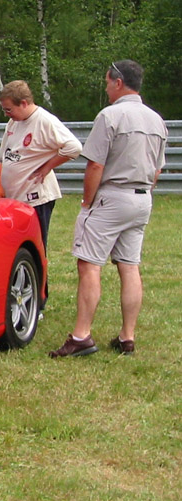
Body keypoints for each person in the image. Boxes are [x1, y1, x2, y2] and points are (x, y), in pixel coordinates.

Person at [49, 60, 167, 358]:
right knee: (129, 266)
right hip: (142, 199)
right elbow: (157, 169)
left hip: (112, 197)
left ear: (118, 82)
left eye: (106, 82)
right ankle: (127, 337)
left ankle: (81, 336)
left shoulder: (110, 115)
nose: (105, 88)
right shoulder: (157, 120)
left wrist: (88, 202)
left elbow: (95, 164)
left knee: (89, 264)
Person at [0, 80, 82, 252]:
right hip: (15, 198)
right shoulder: (14, 122)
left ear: (24, 103)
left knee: (35, 247)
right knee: (16, 248)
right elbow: (3, 157)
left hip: (36, 199)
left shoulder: (44, 121)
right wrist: (0, 191)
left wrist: (47, 167)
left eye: (9, 109)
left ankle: (41, 280)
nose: (6, 114)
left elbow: (74, 147)